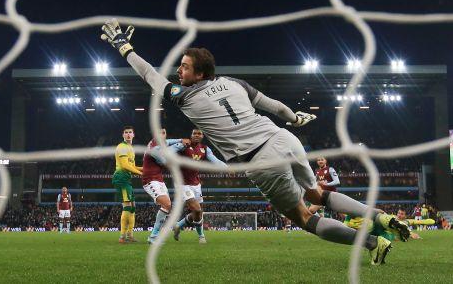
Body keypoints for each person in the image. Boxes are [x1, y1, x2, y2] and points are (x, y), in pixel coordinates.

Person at [100, 19, 410, 265]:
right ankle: (380, 216)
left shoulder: (184, 97)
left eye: (184, 66)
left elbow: (150, 75)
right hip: (283, 136)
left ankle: (372, 242)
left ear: (200, 74)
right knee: (318, 193)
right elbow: (275, 106)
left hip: (261, 161)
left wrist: (123, 46)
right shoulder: (235, 83)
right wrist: (295, 119)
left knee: (304, 217)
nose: (179, 70)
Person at [171, 128, 226, 243]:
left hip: (196, 184)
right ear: (191, 135)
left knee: (198, 213)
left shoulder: (205, 149)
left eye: (199, 134)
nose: (196, 135)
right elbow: (168, 151)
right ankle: (201, 236)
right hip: (182, 184)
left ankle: (178, 225)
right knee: (196, 208)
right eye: (194, 133)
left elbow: (215, 160)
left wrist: (227, 168)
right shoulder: (184, 145)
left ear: (202, 136)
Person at [142, 128, 189, 243]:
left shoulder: (160, 143)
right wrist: (181, 145)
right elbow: (164, 161)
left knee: (167, 207)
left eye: (164, 133)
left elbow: (168, 142)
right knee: (167, 204)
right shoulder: (153, 148)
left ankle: (154, 236)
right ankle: (153, 237)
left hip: (159, 180)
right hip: (150, 180)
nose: (162, 135)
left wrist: (180, 140)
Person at [113, 125, 142, 243]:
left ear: (133, 134)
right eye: (126, 132)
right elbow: (125, 165)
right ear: (123, 135)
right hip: (121, 178)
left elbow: (132, 166)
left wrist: (146, 169)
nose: (128, 134)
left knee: (133, 207)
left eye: (130, 132)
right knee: (127, 206)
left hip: (127, 179)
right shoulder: (122, 147)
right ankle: (122, 236)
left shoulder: (131, 148)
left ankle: (130, 234)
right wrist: (141, 174)